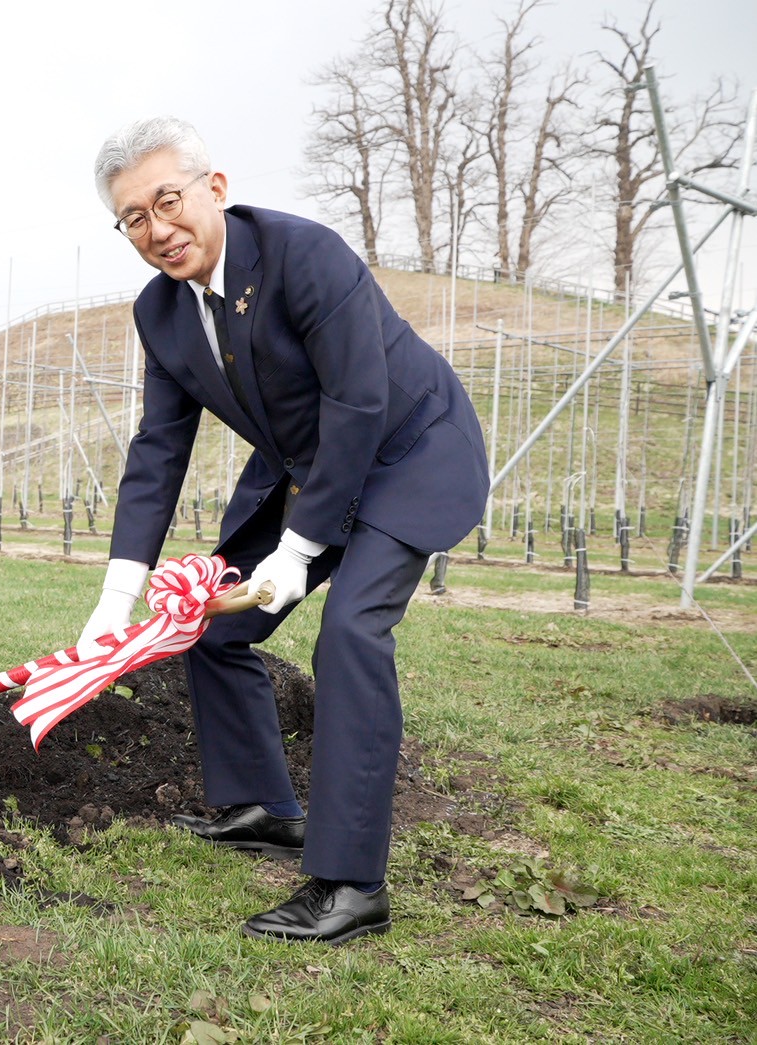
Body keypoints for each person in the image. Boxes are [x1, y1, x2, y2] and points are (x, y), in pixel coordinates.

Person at [82, 117, 488, 944]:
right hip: (309, 468)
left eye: (168, 201)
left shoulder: (304, 255)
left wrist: (299, 553)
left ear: (215, 189)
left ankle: (349, 884)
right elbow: (158, 447)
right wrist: (116, 594)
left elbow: (358, 402)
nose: (157, 230)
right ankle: (262, 804)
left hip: (407, 451)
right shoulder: (159, 312)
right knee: (206, 622)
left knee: (349, 632)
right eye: (133, 217)